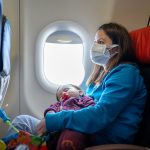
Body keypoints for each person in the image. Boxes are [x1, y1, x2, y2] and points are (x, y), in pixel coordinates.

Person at [7, 22, 147, 148]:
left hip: (103, 138)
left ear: (116, 48)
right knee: (22, 121)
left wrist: (55, 120)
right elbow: (86, 104)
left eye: (100, 42)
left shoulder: (126, 74)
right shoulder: (99, 78)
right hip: (90, 130)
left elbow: (100, 114)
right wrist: (70, 102)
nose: (94, 47)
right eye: (94, 42)